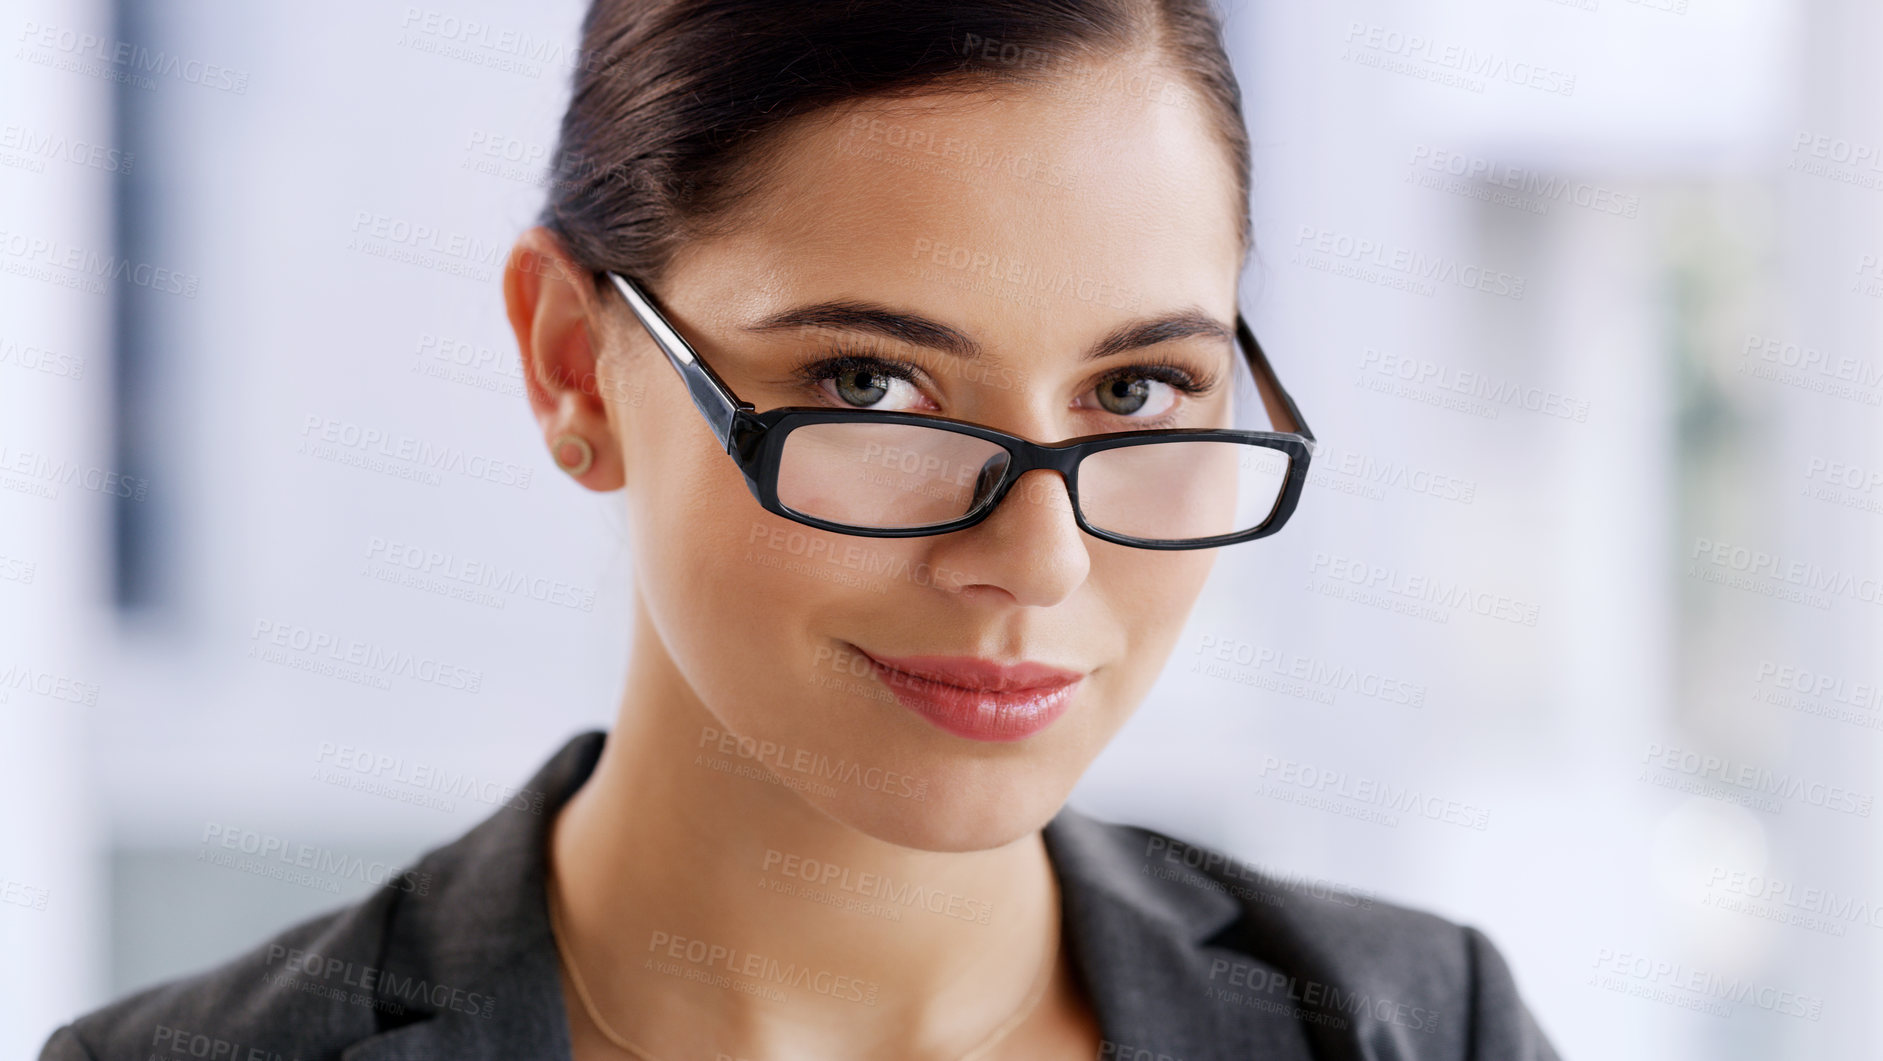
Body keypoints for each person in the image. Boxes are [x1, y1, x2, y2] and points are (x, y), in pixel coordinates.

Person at [41, 2, 1559, 1058]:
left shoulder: (1415, 1029)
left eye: (1140, 385)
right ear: (575, 362)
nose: (1038, 561)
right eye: (872, 382)